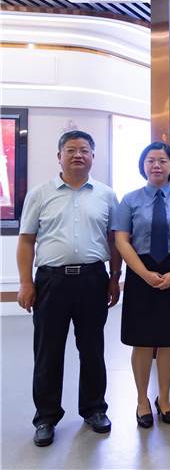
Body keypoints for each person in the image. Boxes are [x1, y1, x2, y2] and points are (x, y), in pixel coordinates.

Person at [16, 130, 121, 447]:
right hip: (51, 282)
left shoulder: (106, 195)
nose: (78, 155)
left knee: (92, 349)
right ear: (59, 155)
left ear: (93, 157)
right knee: (48, 352)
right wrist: (25, 282)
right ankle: (46, 418)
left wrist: (114, 278)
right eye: (71, 150)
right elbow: (26, 241)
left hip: (93, 279)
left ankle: (94, 409)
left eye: (84, 150)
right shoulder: (40, 194)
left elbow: (114, 240)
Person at [113, 142, 170, 429]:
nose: (156, 165)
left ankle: (165, 398)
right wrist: (143, 274)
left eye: (162, 160)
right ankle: (141, 400)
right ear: (143, 166)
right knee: (142, 339)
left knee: (169, 339)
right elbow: (122, 240)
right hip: (141, 271)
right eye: (150, 160)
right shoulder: (130, 200)